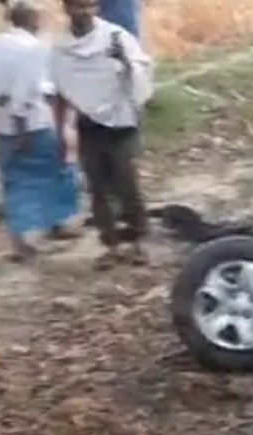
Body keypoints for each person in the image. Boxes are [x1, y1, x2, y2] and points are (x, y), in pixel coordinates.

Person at [0, 0, 81, 262]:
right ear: (33, 20)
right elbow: (29, 91)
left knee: (12, 182)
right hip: (34, 124)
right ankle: (53, 226)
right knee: (52, 173)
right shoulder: (36, 48)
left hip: (2, 125)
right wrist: (21, 124)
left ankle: (20, 240)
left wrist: (1, 110)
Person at [51, 0, 154, 268]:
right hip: (88, 125)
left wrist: (125, 62)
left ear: (97, 8)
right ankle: (111, 244)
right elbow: (61, 91)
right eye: (78, 6)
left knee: (126, 182)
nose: (84, 12)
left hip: (121, 122)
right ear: (66, 8)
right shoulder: (61, 48)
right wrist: (62, 130)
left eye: (90, 6)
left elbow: (140, 70)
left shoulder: (115, 37)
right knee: (98, 188)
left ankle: (137, 240)